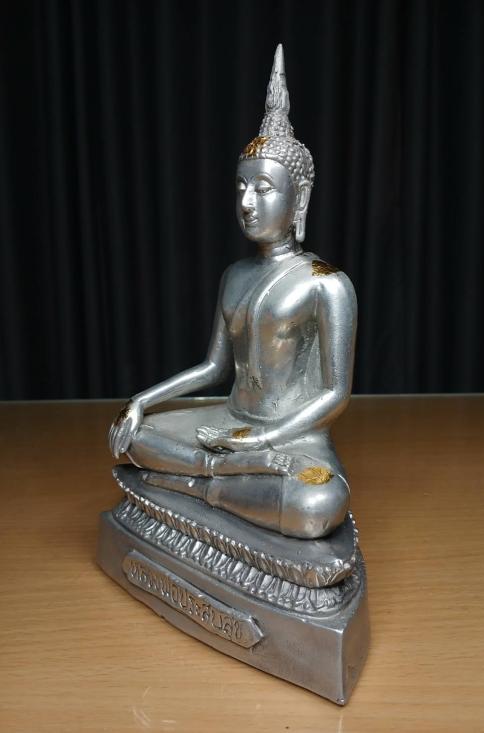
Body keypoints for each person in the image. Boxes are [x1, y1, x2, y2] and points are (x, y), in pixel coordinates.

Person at [108, 45, 357, 539]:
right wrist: (140, 401)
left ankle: (194, 483)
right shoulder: (234, 274)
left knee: (317, 503)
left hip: (290, 432)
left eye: (263, 188)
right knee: (134, 435)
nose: (247, 202)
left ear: (299, 197)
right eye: (240, 187)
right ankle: (222, 478)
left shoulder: (326, 283)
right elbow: (213, 368)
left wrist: (259, 440)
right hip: (230, 416)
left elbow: (335, 395)